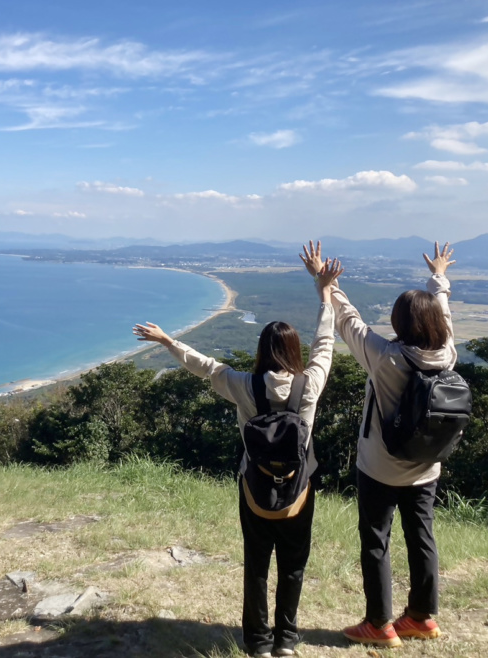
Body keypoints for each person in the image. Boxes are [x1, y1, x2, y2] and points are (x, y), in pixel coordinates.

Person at [133, 257, 343, 658]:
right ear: (294, 351)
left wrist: (166, 340)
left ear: (262, 351)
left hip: (254, 487)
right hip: (299, 492)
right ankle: (287, 641)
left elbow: (203, 365)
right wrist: (325, 294)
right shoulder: (310, 383)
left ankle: (258, 644)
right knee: (293, 567)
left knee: (257, 567)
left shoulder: (244, 385)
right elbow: (326, 345)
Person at [300, 240, 456, 648]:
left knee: (376, 540)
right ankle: (422, 617)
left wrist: (325, 283)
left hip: (380, 467)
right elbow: (443, 312)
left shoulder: (386, 358)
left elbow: (347, 320)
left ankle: (379, 623)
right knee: (422, 537)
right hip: (426, 466)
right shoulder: (448, 351)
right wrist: (439, 277)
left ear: (401, 324)